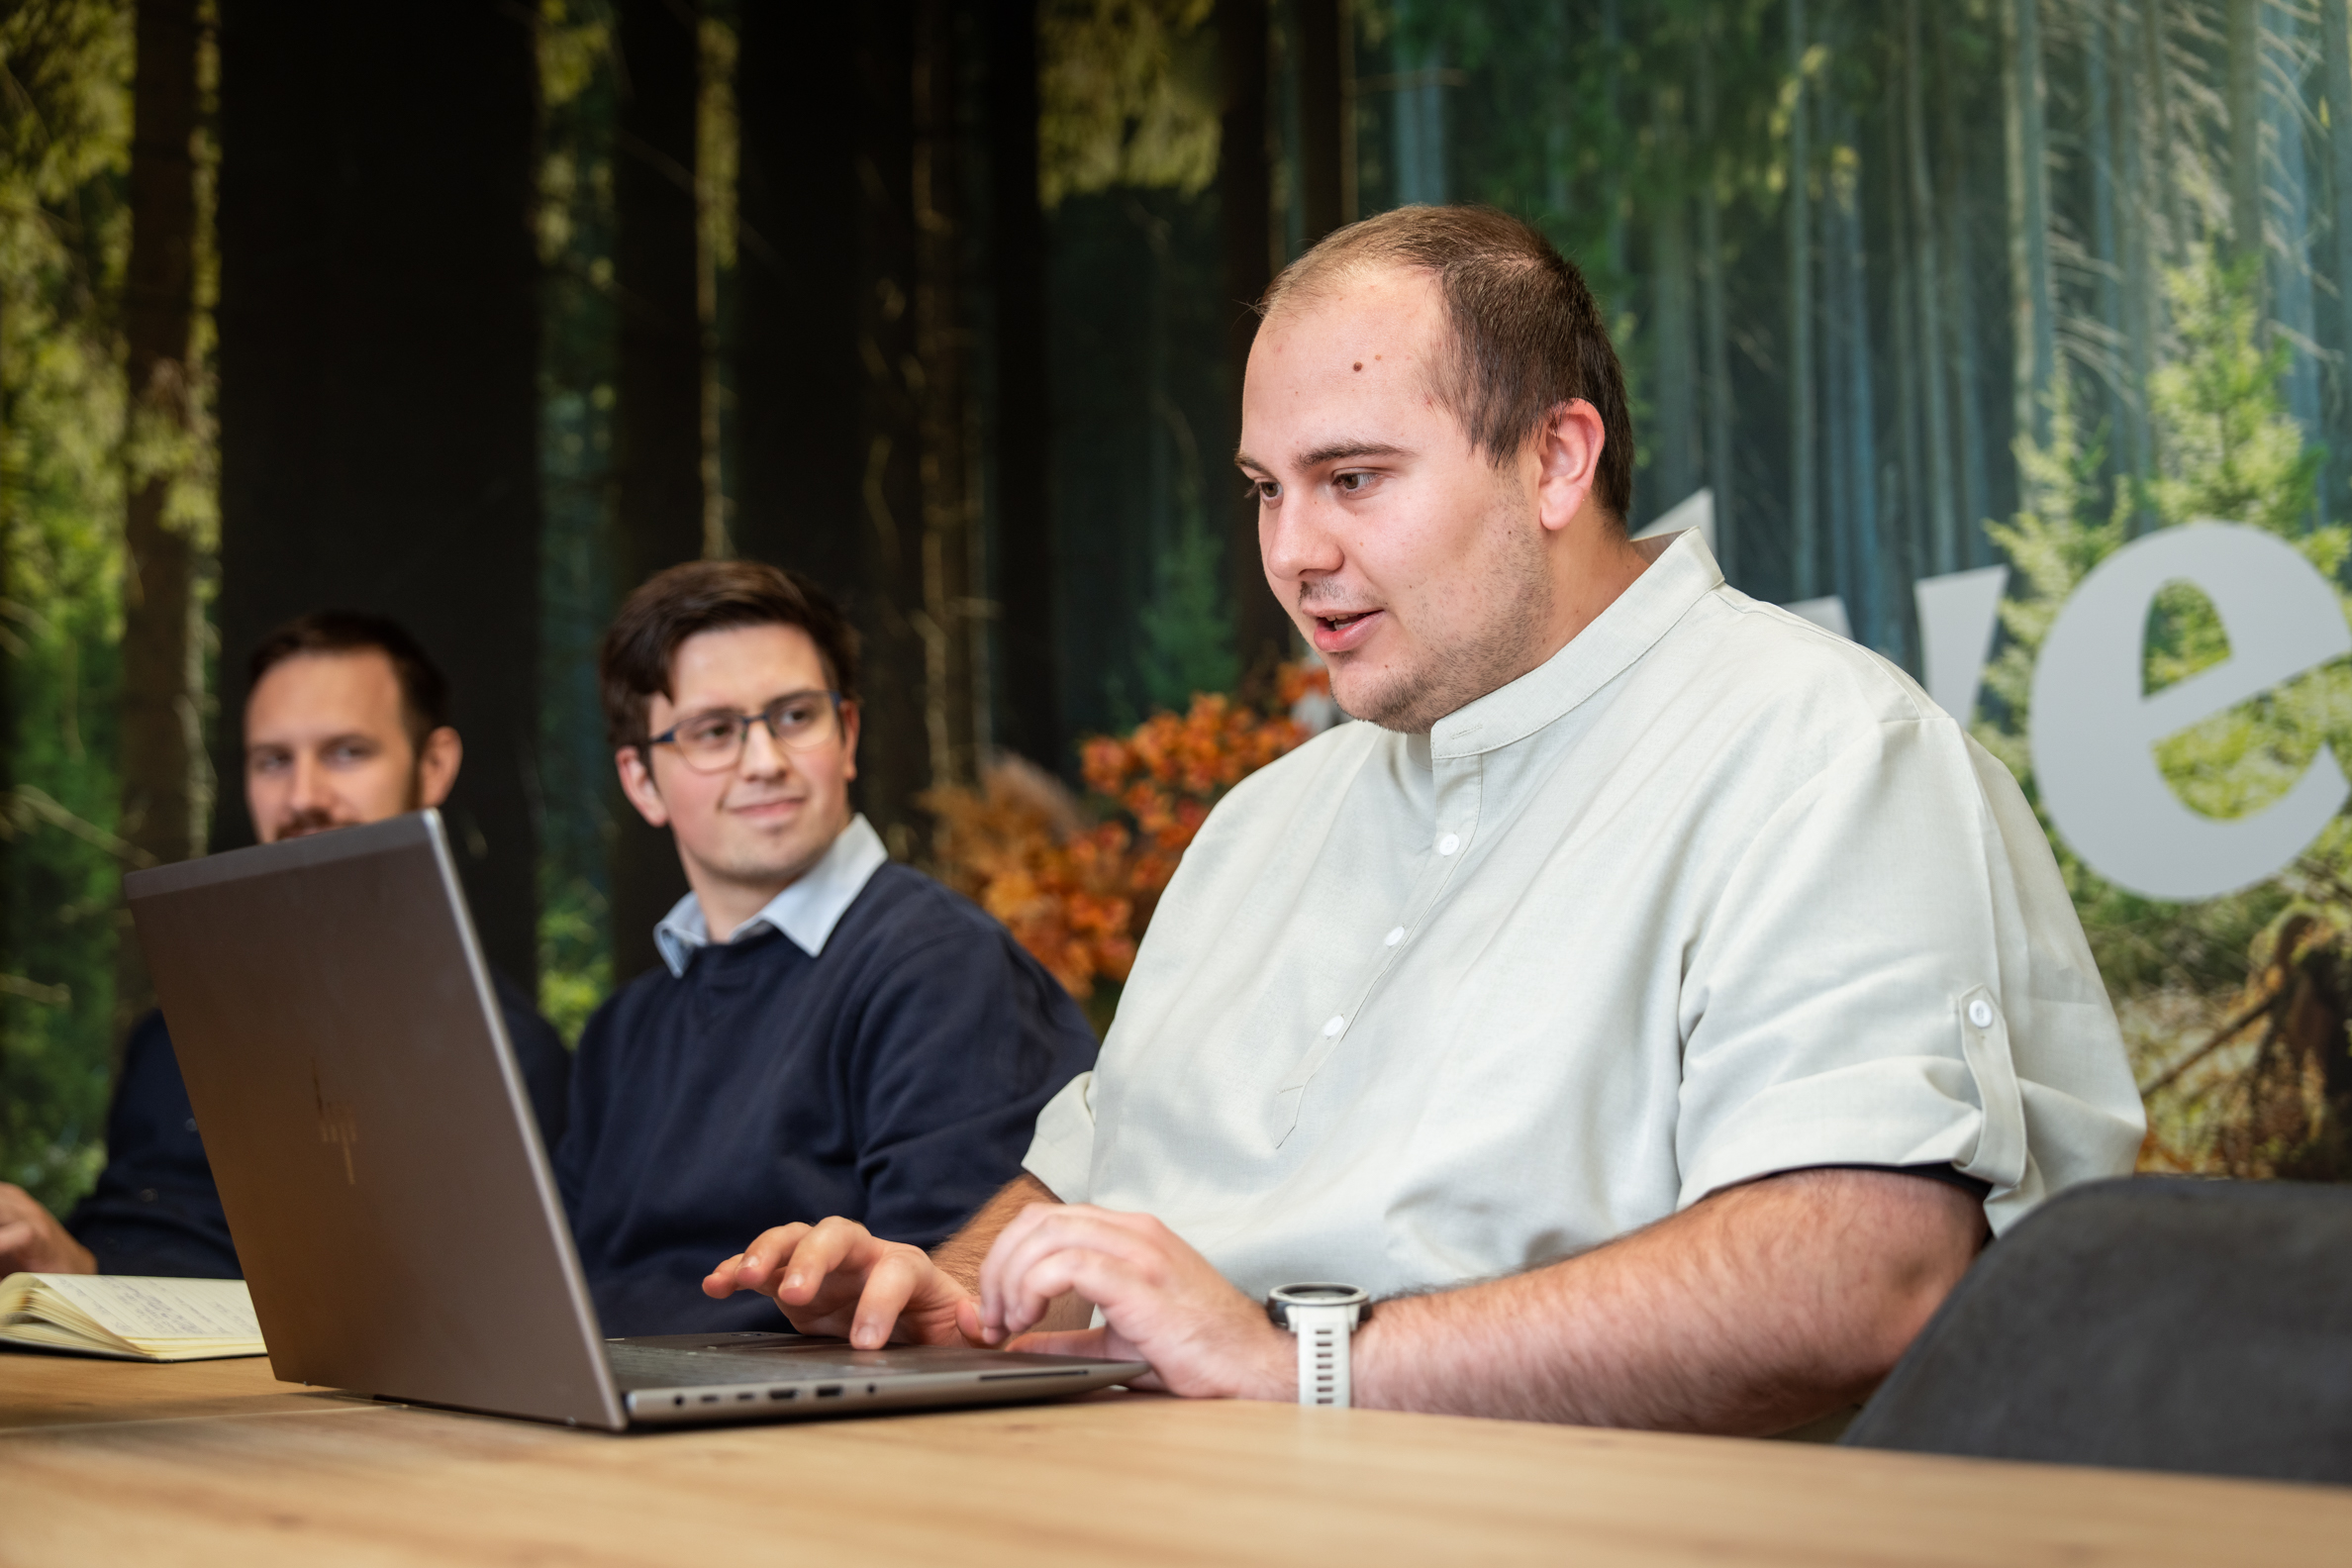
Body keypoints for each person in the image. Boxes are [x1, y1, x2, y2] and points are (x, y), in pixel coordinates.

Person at [702, 206, 2146, 1434]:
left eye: (1353, 480)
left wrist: (1299, 1369)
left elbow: (1857, 1275)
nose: (1292, 554)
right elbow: (1084, 1206)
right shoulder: (1261, 823)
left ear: (1555, 461)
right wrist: (953, 1304)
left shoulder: (1824, 749)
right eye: (1268, 491)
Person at [557, 560, 1098, 1335]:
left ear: (846, 735)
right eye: (713, 732)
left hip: (830, 1441)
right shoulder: (622, 1032)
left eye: (794, 716)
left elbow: (956, 1324)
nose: (765, 761)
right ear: (641, 781)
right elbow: (566, 1294)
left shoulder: (942, 968)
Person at [0, 612, 571, 1279]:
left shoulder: (500, 1055)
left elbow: (374, 1327)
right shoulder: (171, 1030)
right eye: (273, 761)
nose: (303, 797)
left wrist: (83, 1278)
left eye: (347, 752)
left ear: (434, 764)